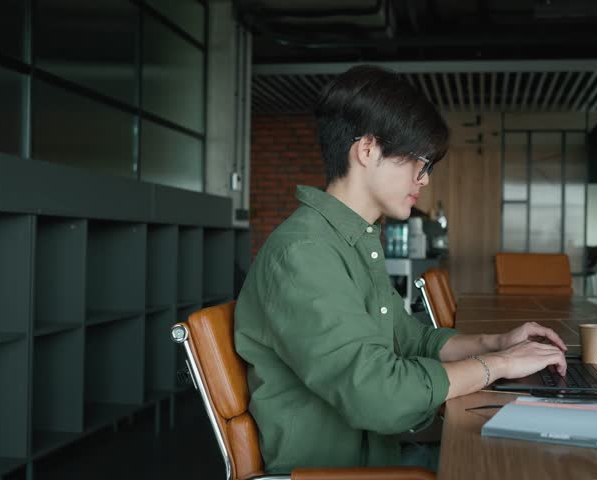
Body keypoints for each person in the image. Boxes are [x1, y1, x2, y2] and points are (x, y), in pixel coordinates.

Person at [234, 65, 568, 473]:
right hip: (340, 472)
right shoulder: (304, 254)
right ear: (367, 150)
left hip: (378, 455)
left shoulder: (349, 240)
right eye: (419, 162)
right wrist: (499, 366)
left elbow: (412, 339)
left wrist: (496, 342)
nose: (424, 180)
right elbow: (380, 395)